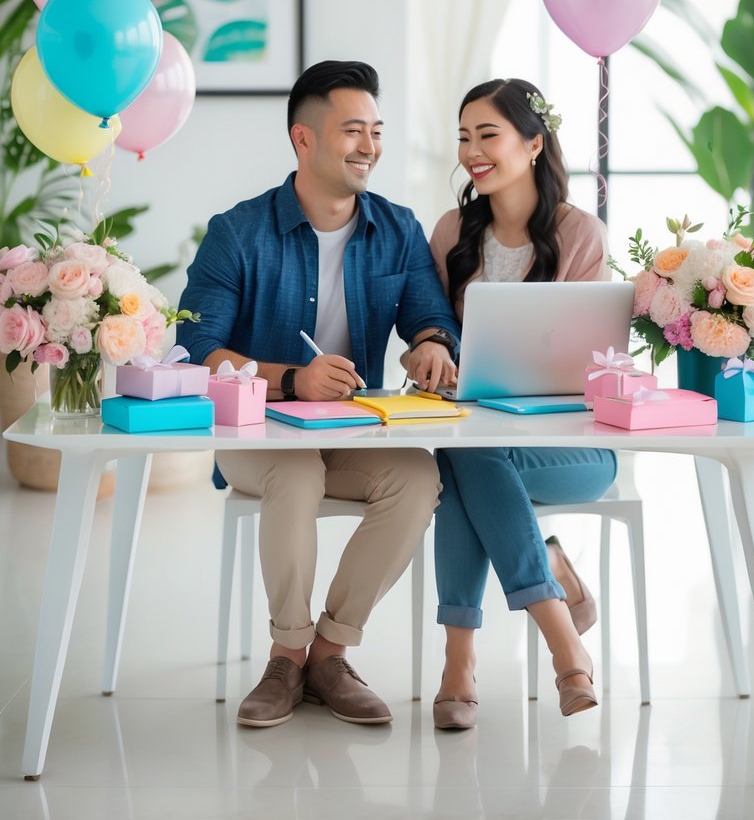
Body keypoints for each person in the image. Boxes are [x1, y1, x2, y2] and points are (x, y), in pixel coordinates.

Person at [178, 60, 460, 729]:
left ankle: (329, 653)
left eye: (376, 131)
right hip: (256, 438)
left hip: (349, 433)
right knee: (296, 471)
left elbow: (431, 318)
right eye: (352, 130)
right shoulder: (238, 232)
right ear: (304, 140)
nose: (369, 146)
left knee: (418, 476)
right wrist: (287, 379)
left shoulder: (396, 227)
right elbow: (195, 350)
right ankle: (286, 653)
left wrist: (430, 346)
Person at [427, 77, 617, 729]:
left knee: (460, 464)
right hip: (476, 434)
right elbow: (437, 333)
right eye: (462, 137)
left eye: (487, 135)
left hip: (573, 447)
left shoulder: (578, 233)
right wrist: (432, 355)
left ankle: (464, 664)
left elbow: (593, 361)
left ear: (533, 143)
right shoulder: (451, 231)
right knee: (465, 458)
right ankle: (560, 638)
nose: (471, 151)